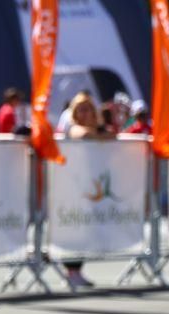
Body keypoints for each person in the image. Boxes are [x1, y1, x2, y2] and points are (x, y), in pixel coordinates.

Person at [60, 93, 116, 289]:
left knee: (85, 228)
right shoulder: (72, 127)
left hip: (91, 186)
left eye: (89, 109)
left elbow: (112, 135)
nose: (86, 113)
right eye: (81, 109)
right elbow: (82, 135)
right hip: (72, 186)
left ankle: (76, 270)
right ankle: (70, 270)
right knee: (74, 227)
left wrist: (101, 133)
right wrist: (100, 136)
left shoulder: (98, 129)